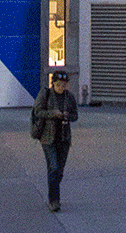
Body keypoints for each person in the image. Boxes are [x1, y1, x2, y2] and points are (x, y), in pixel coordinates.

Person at [33, 69, 78, 212]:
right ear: (53, 84)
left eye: (64, 85)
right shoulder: (45, 94)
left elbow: (75, 115)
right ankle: (54, 200)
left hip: (64, 138)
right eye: (58, 85)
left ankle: (54, 189)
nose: (61, 87)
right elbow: (38, 112)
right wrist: (54, 113)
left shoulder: (69, 97)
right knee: (53, 167)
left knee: (59, 170)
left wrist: (66, 116)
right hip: (48, 138)